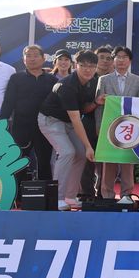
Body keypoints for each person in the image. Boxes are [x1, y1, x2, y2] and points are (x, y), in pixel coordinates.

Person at [37, 50, 101, 210]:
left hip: (68, 122)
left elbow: (84, 109)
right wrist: (88, 146)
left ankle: (70, 197)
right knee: (67, 152)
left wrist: (96, 102)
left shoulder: (93, 82)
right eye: (83, 66)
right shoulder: (67, 86)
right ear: (75, 66)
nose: (88, 69)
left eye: (92, 66)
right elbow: (76, 119)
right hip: (50, 120)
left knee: (80, 154)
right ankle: (56, 198)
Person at [0, 45, 57, 185]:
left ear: (43, 58)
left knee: (44, 161)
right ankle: (16, 196)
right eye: (28, 56)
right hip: (21, 127)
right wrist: (0, 125)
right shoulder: (16, 78)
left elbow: (57, 106)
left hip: (44, 128)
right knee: (19, 161)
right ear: (24, 60)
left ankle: (46, 198)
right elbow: (8, 102)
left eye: (35, 55)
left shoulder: (52, 81)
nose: (32, 59)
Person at [95, 46, 139, 200]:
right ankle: (107, 195)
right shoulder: (103, 79)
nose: (121, 60)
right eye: (118, 57)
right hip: (109, 127)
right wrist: (99, 128)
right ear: (113, 60)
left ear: (130, 61)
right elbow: (98, 105)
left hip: (130, 128)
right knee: (108, 161)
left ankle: (127, 195)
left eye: (124, 57)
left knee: (127, 163)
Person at [79, 46, 113, 200]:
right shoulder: (87, 79)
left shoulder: (115, 80)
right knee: (88, 161)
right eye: (102, 57)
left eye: (109, 58)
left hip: (110, 126)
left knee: (107, 162)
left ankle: (103, 194)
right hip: (89, 124)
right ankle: (86, 193)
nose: (105, 61)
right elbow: (82, 106)